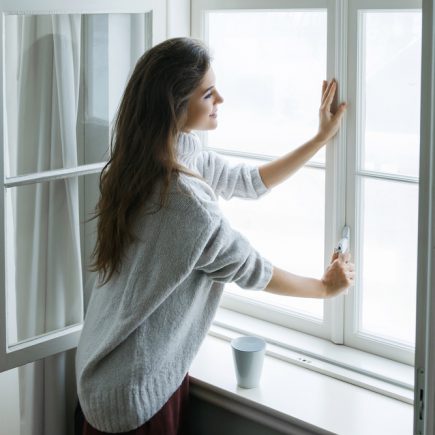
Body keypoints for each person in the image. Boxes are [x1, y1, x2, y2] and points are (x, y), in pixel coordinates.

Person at [74, 36, 355, 435]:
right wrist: (324, 288)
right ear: (175, 105)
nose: (219, 99)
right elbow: (251, 268)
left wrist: (319, 139)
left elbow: (245, 181)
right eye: (208, 93)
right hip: (132, 396)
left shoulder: (149, 155)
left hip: (101, 371)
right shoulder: (185, 204)